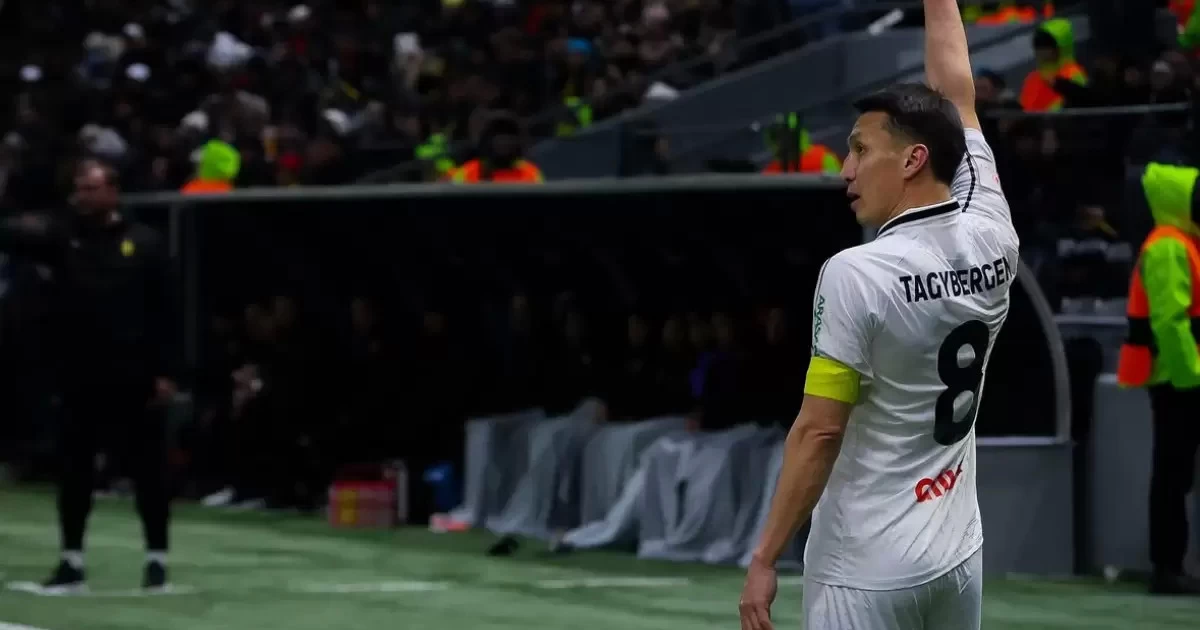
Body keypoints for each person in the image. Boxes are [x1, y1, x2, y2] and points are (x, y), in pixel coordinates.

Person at [739, 1, 1019, 628]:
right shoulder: (993, 230)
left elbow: (820, 431)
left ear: (913, 159)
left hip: (865, 565)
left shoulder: (856, 273)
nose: (845, 170)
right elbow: (958, 94)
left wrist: (764, 557)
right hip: (957, 558)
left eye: (860, 150)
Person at [0, 161, 178, 593]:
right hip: (79, 373)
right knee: (74, 470)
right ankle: (71, 561)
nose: (81, 197)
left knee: (149, 472)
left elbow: (167, 310)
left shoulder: (146, 243)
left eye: (90, 189)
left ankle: (156, 561)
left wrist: (167, 372)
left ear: (112, 192)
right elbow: (13, 234)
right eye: (78, 189)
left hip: (135, 375)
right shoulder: (63, 238)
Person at [1115, 161, 1200, 595]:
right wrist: (1193, 377)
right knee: (1173, 475)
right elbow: (1171, 323)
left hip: (1180, 378)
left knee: (1174, 473)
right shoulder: (1169, 246)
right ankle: (1167, 567)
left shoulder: (1180, 241)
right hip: (1179, 381)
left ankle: (1169, 566)